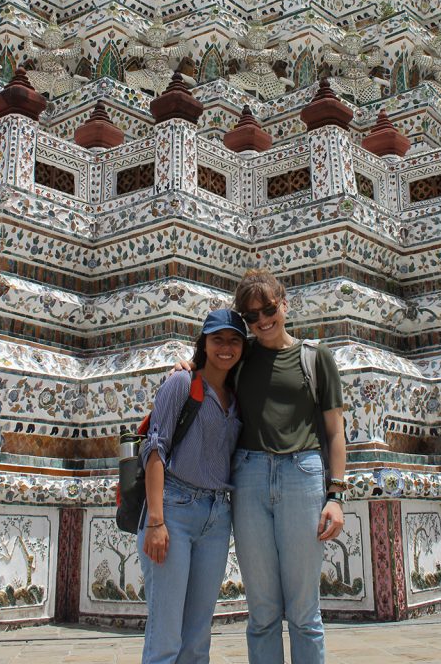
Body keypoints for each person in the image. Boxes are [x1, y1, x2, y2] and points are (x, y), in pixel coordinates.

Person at [176, 269, 346, 664]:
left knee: (304, 611)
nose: (262, 321)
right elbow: (211, 365)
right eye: (251, 316)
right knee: (263, 610)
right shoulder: (243, 355)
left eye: (268, 309)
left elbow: (335, 432)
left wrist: (336, 495)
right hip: (249, 476)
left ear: (284, 304)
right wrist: (187, 367)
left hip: (302, 476)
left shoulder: (316, 358)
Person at [138, 307, 247, 664]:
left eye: (234, 341)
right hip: (174, 510)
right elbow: (155, 446)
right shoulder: (182, 382)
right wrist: (156, 521)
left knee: (198, 635)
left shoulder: (237, 395)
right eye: (218, 340)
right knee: (166, 634)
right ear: (204, 343)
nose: (226, 348)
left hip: (216, 518)